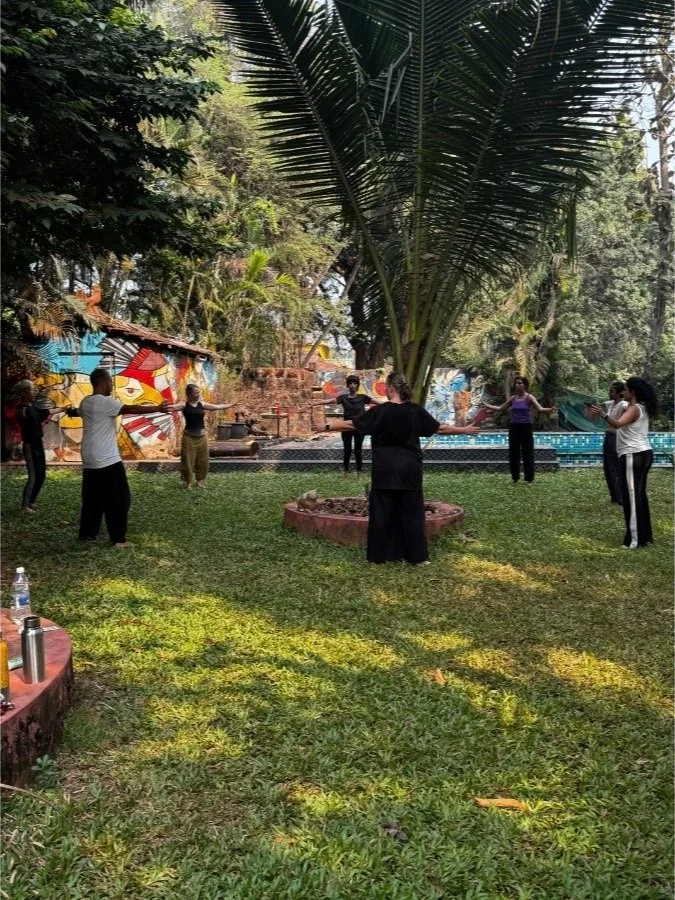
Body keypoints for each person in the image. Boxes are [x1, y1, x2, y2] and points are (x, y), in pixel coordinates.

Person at [327, 372, 480, 565]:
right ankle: (418, 558)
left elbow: (351, 424)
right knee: (412, 515)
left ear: (390, 388)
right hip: (410, 469)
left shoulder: (379, 411)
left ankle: (377, 558)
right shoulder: (415, 410)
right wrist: (464, 430)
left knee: (381, 515)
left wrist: (326, 427)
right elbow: (440, 428)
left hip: (385, 469)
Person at [65, 368, 168, 548]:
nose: (112, 385)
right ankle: (118, 539)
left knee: (92, 499)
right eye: (109, 382)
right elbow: (131, 408)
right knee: (119, 498)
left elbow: (77, 412)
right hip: (107, 458)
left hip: (89, 458)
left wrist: (70, 411)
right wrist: (158, 408)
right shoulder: (105, 402)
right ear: (103, 382)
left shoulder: (86, 402)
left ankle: (88, 534)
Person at [591, 377, 656, 549]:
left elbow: (618, 424)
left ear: (633, 392)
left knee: (632, 497)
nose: (623, 392)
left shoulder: (634, 408)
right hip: (643, 453)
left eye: (626, 390)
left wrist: (603, 414)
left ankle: (634, 540)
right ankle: (645, 535)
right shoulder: (639, 407)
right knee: (639, 495)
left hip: (632, 455)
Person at [481, 376, 556, 482]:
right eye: (516, 383)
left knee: (527, 452)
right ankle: (515, 477)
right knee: (514, 452)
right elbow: (500, 408)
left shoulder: (529, 397)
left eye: (520, 383)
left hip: (526, 427)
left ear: (525, 385)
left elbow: (540, 408)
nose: (517, 385)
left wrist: (550, 409)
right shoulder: (513, 398)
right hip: (514, 427)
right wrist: (487, 405)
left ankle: (529, 478)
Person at [167, 385, 234, 490]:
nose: (198, 394)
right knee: (188, 460)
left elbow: (216, 407)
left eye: (199, 392)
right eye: (196, 393)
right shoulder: (184, 405)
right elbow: (172, 408)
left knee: (203, 460)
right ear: (189, 394)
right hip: (189, 437)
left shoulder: (201, 404)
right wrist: (160, 407)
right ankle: (188, 483)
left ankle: (200, 481)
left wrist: (230, 405)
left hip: (202, 437)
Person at [311, 375, 378, 476]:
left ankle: (359, 473)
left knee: (358, 451)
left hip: (359, 427)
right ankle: (346, 472)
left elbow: (378, 403)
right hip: (346, 427)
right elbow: (328, 401)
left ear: (357, 385)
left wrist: (391, 406)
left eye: (355, 383)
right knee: (347, 450)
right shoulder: (343, 398)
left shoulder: (363, 398)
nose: (352, 385)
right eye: (350, 383)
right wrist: (313, 404)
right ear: (348, 385)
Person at [14, 380, 50, 514]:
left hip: (38, 443)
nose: (34, 392)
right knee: (33, 476)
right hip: (30, 445)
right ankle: (24, 506)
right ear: (23, 393)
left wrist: (63, 409)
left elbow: (44, 413)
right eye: (31, 390)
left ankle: (31, 501)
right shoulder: (21, 410)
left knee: (41, 475)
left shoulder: (33, 407)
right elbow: (25, 416)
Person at [598, 381, 628, 505]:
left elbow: (628, 408)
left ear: (620, 393)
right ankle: (615, 496)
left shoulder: (623, 404)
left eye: (611, 391)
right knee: (608, 468)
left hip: (616, 438)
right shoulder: (611, 403)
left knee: (616, 467)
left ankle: (621, 497)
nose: (609, 393)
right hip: (608, 436)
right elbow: (600, 404)